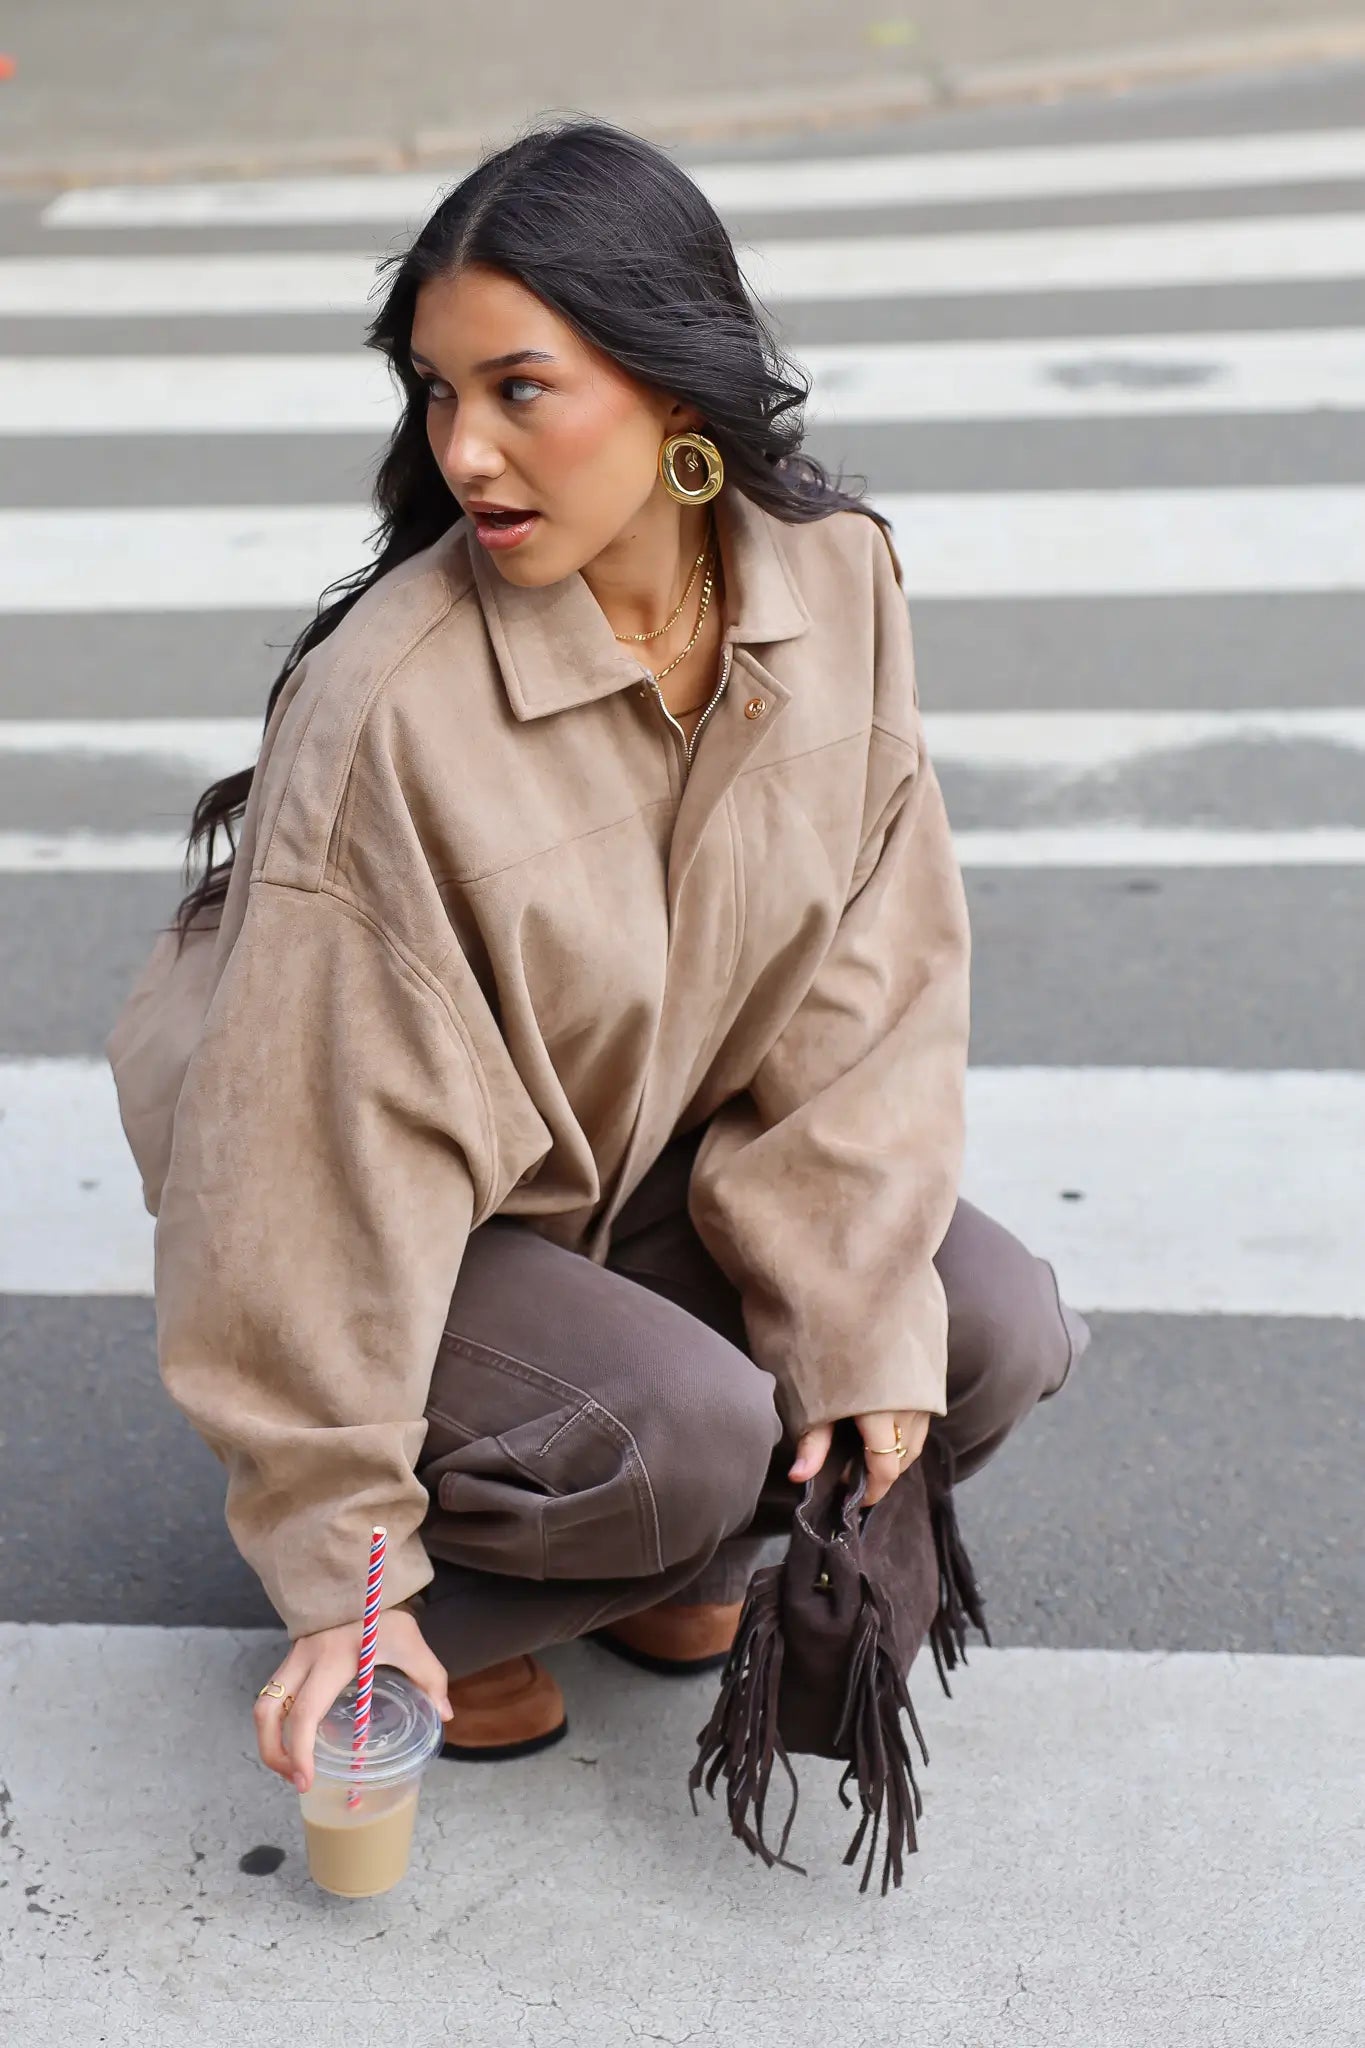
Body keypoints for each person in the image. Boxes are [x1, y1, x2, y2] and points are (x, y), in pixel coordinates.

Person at [105, 116, 1089, 1800]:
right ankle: (458, 1615)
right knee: (682, 1440)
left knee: (979, 1323)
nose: (467, 450)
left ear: (672, 390)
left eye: (520, 389)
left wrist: (853, 1329)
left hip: (648, 1174)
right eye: (435, 392)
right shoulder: (395, 701)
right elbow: (306, 1177)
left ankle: (665, 1563)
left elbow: (872, 989)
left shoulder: (835, 581)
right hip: (433, 1228)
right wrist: (353, 1561)